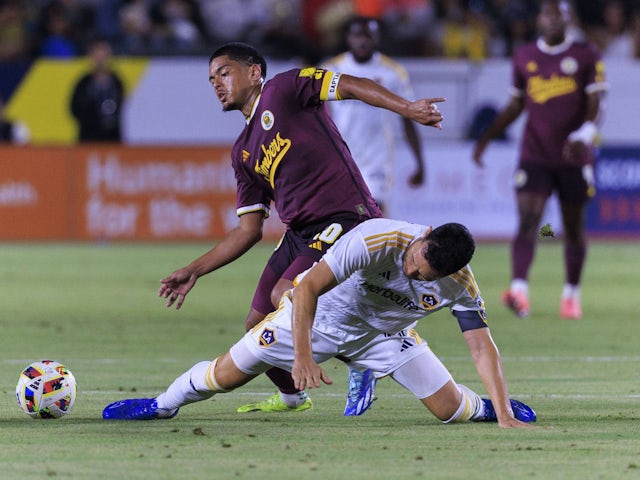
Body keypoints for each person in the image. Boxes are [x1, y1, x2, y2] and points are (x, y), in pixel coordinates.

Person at [155, 42, 445, 415]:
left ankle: (365, 359)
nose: (217, 83)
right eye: (211, 78)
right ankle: (293, 397)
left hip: (345, 218)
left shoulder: (285, 88)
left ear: (255, 72)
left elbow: (352, 84)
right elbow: (248, 230)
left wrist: (406, 108)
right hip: (299, 234)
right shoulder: (243, 151)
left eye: (224, 73)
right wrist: (194, 270)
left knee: (284, 295)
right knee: (256, 324)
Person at [103, 218, 537, 429]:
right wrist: (304, 361)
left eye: (423, 277)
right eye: (412, 261)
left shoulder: (461, 285)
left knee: (448, 411)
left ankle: (493, 409)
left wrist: (502, 413)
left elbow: (482, 347)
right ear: (422, 238)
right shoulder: (376, 238)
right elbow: (307, 287)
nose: (410, 272)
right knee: (226, 376)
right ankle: (160, 404)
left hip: (384, 335)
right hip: (317, 317)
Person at [472, 0, 608, 320]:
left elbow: (595, 103)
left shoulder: (586, 54)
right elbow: (516, 105)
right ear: (540, 19)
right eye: (548, 14)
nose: (553, 20)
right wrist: (486, 138)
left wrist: (583, 136)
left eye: (559, 15)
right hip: (534, 154)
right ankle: (519, 291)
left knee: (572, 228)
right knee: (529, 221)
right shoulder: (524, 56)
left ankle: (571, 295)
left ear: (568, 19)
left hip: (573, 155)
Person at [322, 16, 425, 214]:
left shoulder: (393, 72)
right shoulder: (331, 69)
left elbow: (408, 119)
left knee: (376, 211)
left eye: (368, 36)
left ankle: (382, 245)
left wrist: (419, 162)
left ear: (377, 38)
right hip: (340, 154)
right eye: (357, 35)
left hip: (377, 156)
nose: (362, 41)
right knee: (340, 214)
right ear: (348, 38)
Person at [70, 38, 124, 142]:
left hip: (112, 138)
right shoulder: (83, 83)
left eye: (103, 56)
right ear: (91, 57)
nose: (100, 61)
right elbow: (74, 108)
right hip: (89, 138)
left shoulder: (117, 82)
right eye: (97, 56)